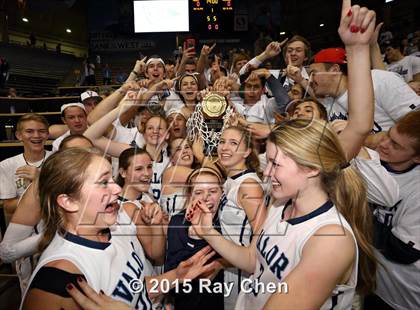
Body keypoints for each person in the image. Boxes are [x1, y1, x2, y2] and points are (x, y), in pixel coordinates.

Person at [192, 1, 378, 308]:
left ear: (312, 168)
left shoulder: (330, 239)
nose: (266, 171)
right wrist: (209, 232)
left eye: (275, 163)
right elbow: (254, 260)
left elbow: (359, 126)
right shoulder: (281, 205)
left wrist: (357, 50)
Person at [20, 148, 217, 309]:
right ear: (69, 201)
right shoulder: (56, 282)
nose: (116, 189)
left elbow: (132, 288)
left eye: (112, 180)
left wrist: (175, 276)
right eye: (104, 182)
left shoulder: (112, 230)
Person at [364, 110, 420, 309]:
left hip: (404, 297)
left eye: (396, 145)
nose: (384, 144)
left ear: (417, 158)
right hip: (375, 284)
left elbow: (403, 250)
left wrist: (355, 210)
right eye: (388, 134)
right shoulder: (372, 161)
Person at [309, 47, 420, 132]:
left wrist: (365, 138)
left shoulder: (378, 80)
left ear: (334, 70)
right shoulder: (328, 102)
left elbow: (416, 123)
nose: (310, 80)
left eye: (313, 73)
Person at [0, 114, 51, 293]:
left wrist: (40, 180)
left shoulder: (57, 160)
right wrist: (34, 194)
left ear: (47, 135)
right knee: (28, 285)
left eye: (41, 131)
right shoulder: (7, 165)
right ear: (19, 135)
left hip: (54, 229)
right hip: (24, 234)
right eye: (29, 131)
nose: (36, 135)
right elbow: (7, 206)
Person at [216, 125, 266, 309]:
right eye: (222, 142)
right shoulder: (231, 180)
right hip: (229, 267)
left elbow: (262, 235)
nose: (225, 147)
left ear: (246, 152)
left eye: (233, 143)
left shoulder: (249, 185)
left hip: (242, 272)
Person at [165, 167, 225, 310]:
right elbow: (172, 286)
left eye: (213, 191)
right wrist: (194, 238)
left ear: (222, 193)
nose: (205, 197)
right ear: (189, 195)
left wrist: (221, 262)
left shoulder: (226, 223)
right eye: (198, 192)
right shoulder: (178, 222)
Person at [160, 138, 194, 217]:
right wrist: (201, 155)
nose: (185, 151)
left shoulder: (199, 171)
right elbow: (211, 176)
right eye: (178, 149)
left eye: (187, 147)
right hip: (176, 228)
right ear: (171, 158)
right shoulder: (170, 172)